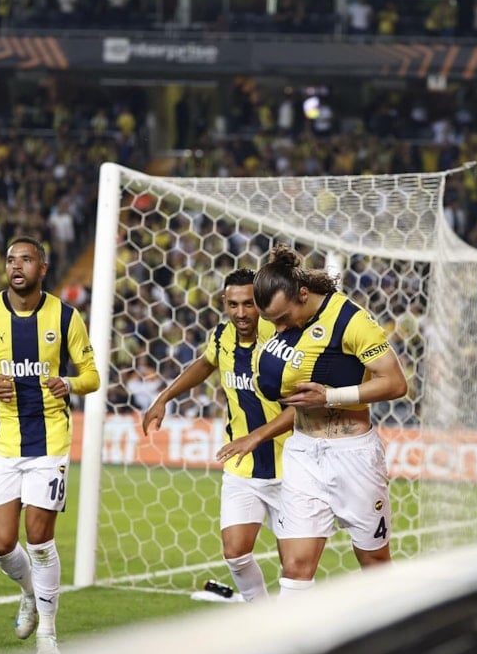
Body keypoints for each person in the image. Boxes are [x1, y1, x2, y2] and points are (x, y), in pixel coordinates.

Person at [0, 236, 100, 654]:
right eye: (10, 260)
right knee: (1, 545)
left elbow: (92, 375)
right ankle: (29, 592)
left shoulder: (66, 316)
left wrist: (69, 383)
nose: (16, 266)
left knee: (39, 541)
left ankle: (47, 634)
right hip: (3, 446)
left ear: (43, 268)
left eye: (25, 259)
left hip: (49, 443)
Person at [251, 244, 407, 599]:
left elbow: (396, 383)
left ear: (303, 293)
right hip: (303, 451)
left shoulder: (351, 320)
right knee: (295, 567)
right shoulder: (283, 324)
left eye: (283, 317)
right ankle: (291, 636)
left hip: (352, 455)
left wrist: (330, 397)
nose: (278, 328)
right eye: (272, 321)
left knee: (374, 561)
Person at [143, 269, 294, 602]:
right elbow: (204, 363)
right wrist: (164, 398)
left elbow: (301, 406)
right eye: (233, 304)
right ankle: (262, 619)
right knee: (236, 554)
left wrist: (257, 436)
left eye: (249, 304)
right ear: (224, 303)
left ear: (261, 303)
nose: (241, 313)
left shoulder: (282, 339)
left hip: (290, 468)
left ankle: (293, 627)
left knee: (294, 567)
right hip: (242, 468)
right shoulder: (222, 335)